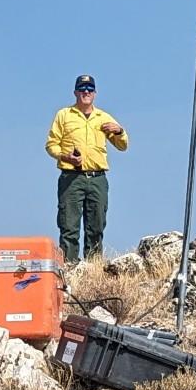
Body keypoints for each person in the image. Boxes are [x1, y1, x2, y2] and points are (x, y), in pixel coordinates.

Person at [46, 73, 128, 264]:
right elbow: (51, 145)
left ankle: (93, 269)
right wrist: (66, 157)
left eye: (90, 89)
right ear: (75, 92)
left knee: (96, 226)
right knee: (69, 227)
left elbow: (123, 146)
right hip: (71, 178)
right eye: (82, 89)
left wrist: (120, 131)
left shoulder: (103, 117)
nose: (86, 92)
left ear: (95, 93)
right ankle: (70, 268)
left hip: (97, 178)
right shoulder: (64, 115)